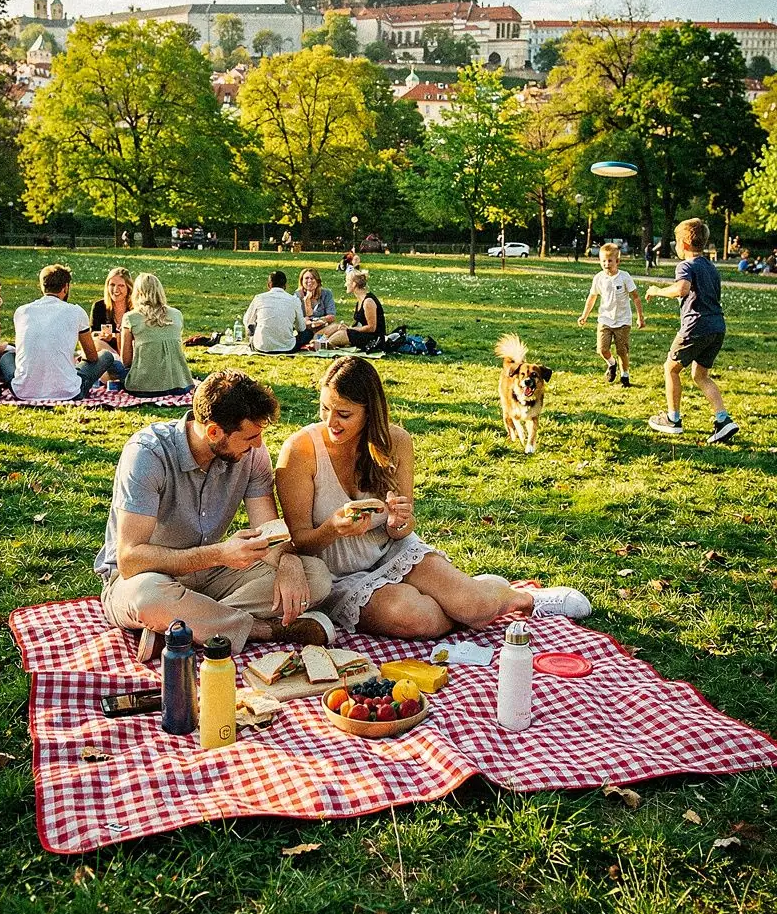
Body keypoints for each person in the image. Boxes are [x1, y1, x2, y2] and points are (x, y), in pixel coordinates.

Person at [276, 355, 591, 638]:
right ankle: (472, 595)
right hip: (336, 575)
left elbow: (401, 529)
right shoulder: (300, 451)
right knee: (418, 618)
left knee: (472, 605)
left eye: (344, 414)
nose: (331, 422)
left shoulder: (396, 441)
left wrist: (399, 520)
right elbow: (299, 541)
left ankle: (519, 599)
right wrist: (333, 527)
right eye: (325, 408)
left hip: (391, 552)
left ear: (369, 412)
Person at [96, 369, 332, 654]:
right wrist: (220, 554)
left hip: (211, 576)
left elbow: (269, 533)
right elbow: (131, 560)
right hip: (147, 577)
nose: (258, 445)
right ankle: (264, 630)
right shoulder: (148, 454)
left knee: (315, 576)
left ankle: (184, 627)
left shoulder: (252, 455)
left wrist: (289, 562)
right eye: (249, 437)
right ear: (213, 431)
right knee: (149, 598)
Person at [646, 218, 738, 444]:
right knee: (700, 375)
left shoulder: (685, 265)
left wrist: (657, 290)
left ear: (684, 244)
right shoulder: (710, 267)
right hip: (717, 327)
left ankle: (672, 419)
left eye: (676, 241)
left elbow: (682, 288)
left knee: (671, 369)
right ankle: (723, 420)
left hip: (696, 327)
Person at [1, 264, 122, 401]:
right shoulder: (76, 311)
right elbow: (92, 357)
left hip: (23, 391)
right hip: (69, 392)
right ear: (65, 287)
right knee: (105, 356)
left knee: (7, 357)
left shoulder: (22, 311)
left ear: (42, 287)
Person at [577, 243, 645, 387]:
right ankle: (611, 364)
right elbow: (592, 297)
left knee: (622, 351)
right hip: (605, 319)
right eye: (603, 261)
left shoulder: (624, 277)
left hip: (623, 320)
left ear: (617, 261)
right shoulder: (599, 278)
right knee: (602, 349)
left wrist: (640, 317)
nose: (606, 264)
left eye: (610, 261)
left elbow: (636, 297)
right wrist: (584, 315)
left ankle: (625, 375)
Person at [120, 272, 194, 395]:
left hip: (142, 387)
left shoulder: (130, 317)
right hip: (180, 384)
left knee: (112, 363)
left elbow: (126, 361)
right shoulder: (177, 314)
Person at [243, 270, 313, 354]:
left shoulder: (259, 298)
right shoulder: (294, 300)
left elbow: (247, 320)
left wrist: (252, 334)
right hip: (287, 347)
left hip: (261, 346)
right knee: (308, 334)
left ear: (269, 285)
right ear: (285, 286)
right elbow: (301, 328)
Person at [319, 269, 386, 353]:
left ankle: (322, 344)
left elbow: (371, 328)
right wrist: (347, 328)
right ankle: (319, 341)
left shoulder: (368, 302)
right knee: (336, 326)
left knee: (336, 338)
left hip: (373, 338)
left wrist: (350, 329)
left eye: (347, 281)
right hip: (363, 334)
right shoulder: (360, 300)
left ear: (354, 284)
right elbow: (359, 323)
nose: (345, 284)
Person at [90, 267, 133, 359]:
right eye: (112, 285)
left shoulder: (135, 308)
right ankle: (117, 360)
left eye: (121, 286)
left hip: (131, 353)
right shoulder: (99, 306)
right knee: (95, 343)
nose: (116, 290)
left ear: (128, 288)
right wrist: (102, 336)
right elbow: (92, 334)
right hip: (107, 354)